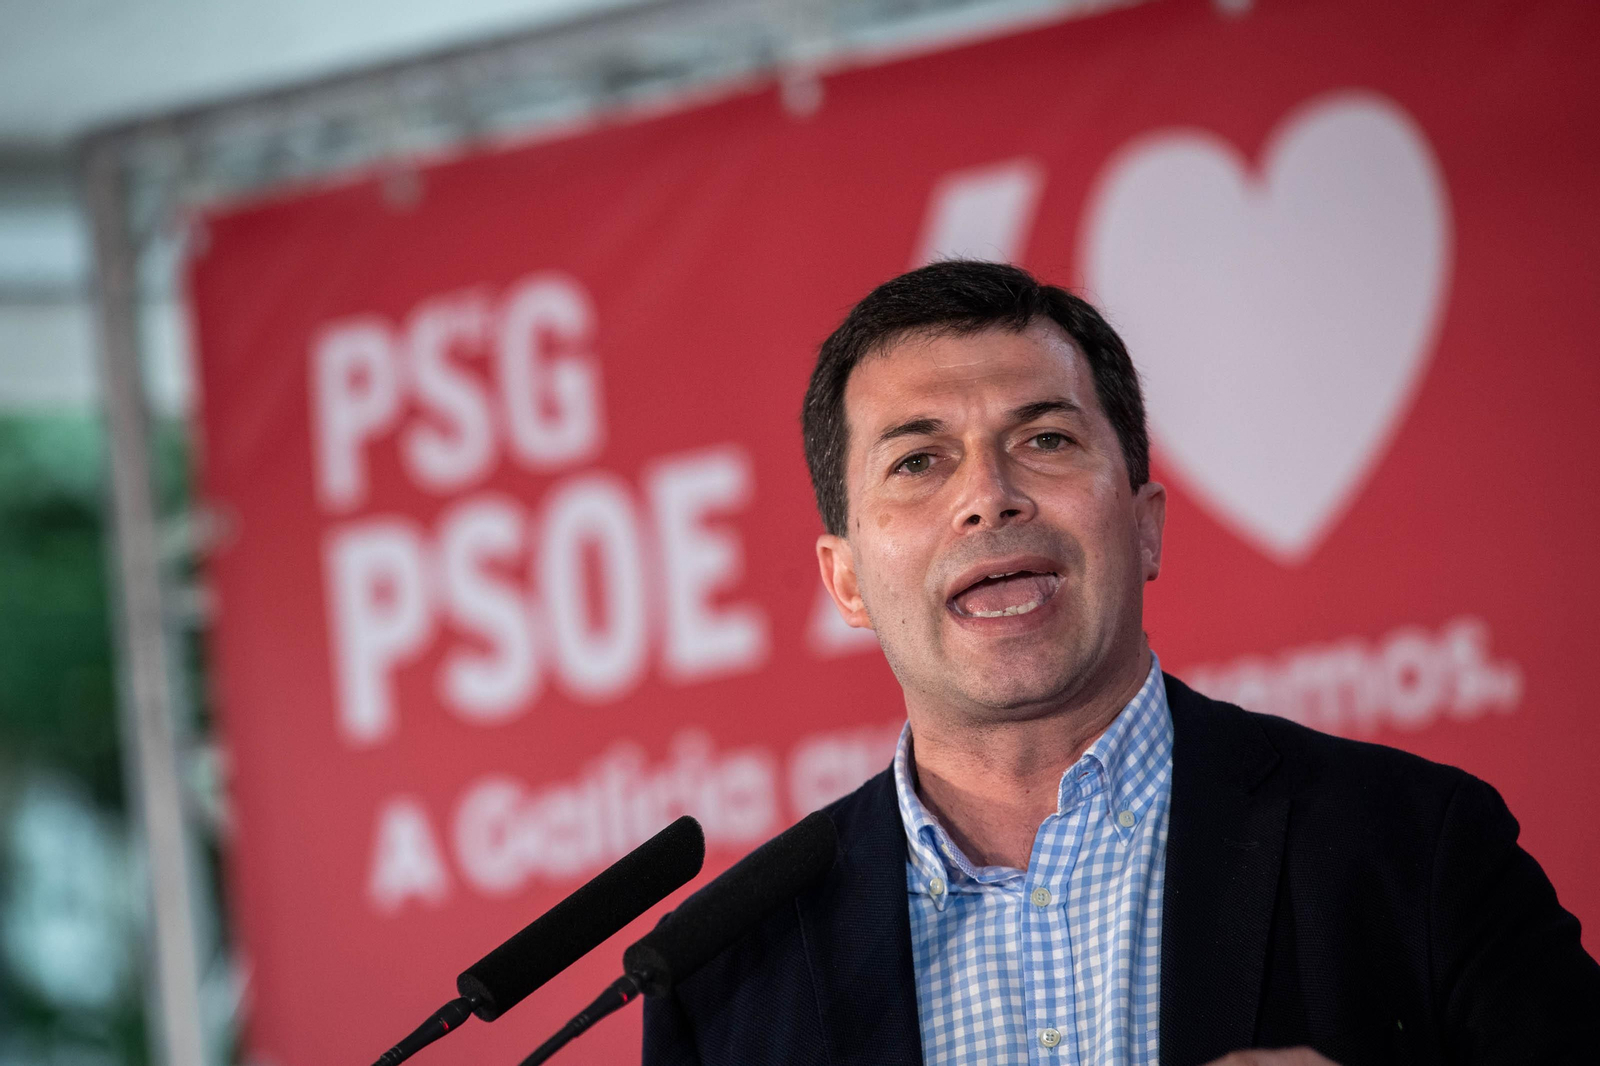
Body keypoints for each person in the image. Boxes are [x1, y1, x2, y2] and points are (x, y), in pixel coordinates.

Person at [641, 261, 1600, 1065]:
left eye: (1045, 439)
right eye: (918, 462)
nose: (990, 496)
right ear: (844, 581)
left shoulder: (1411, 847)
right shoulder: (728, 977)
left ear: (1144, 528)